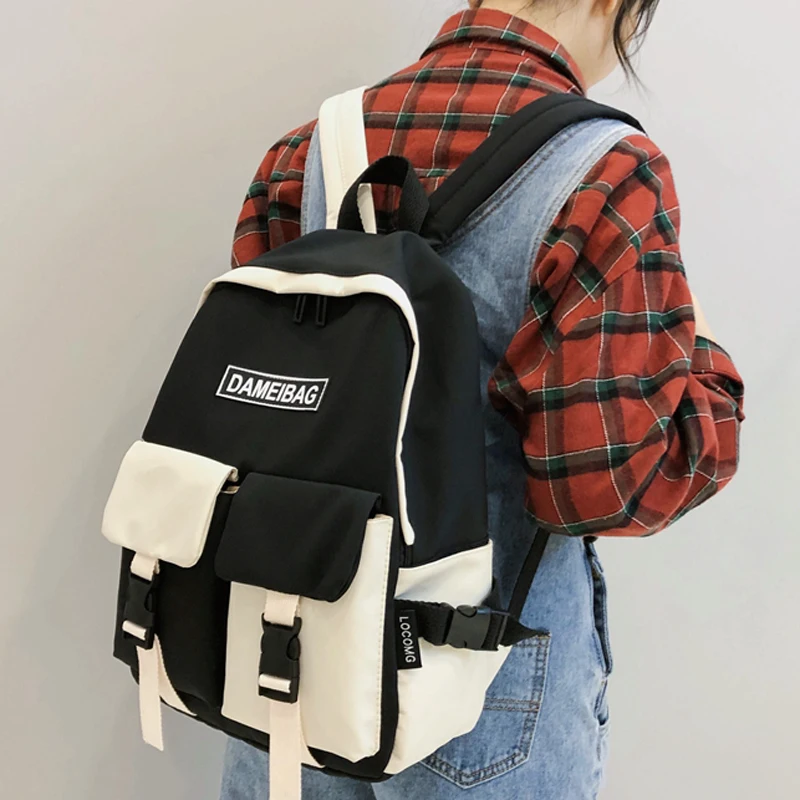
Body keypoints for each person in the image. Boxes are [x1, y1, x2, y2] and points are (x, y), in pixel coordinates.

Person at [220, 1, 745, 798]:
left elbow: (258, 415)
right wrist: (709, 377)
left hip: (289, 648)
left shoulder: (308, 152)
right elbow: (604, 488)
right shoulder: (606, 172)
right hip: (480, 673)